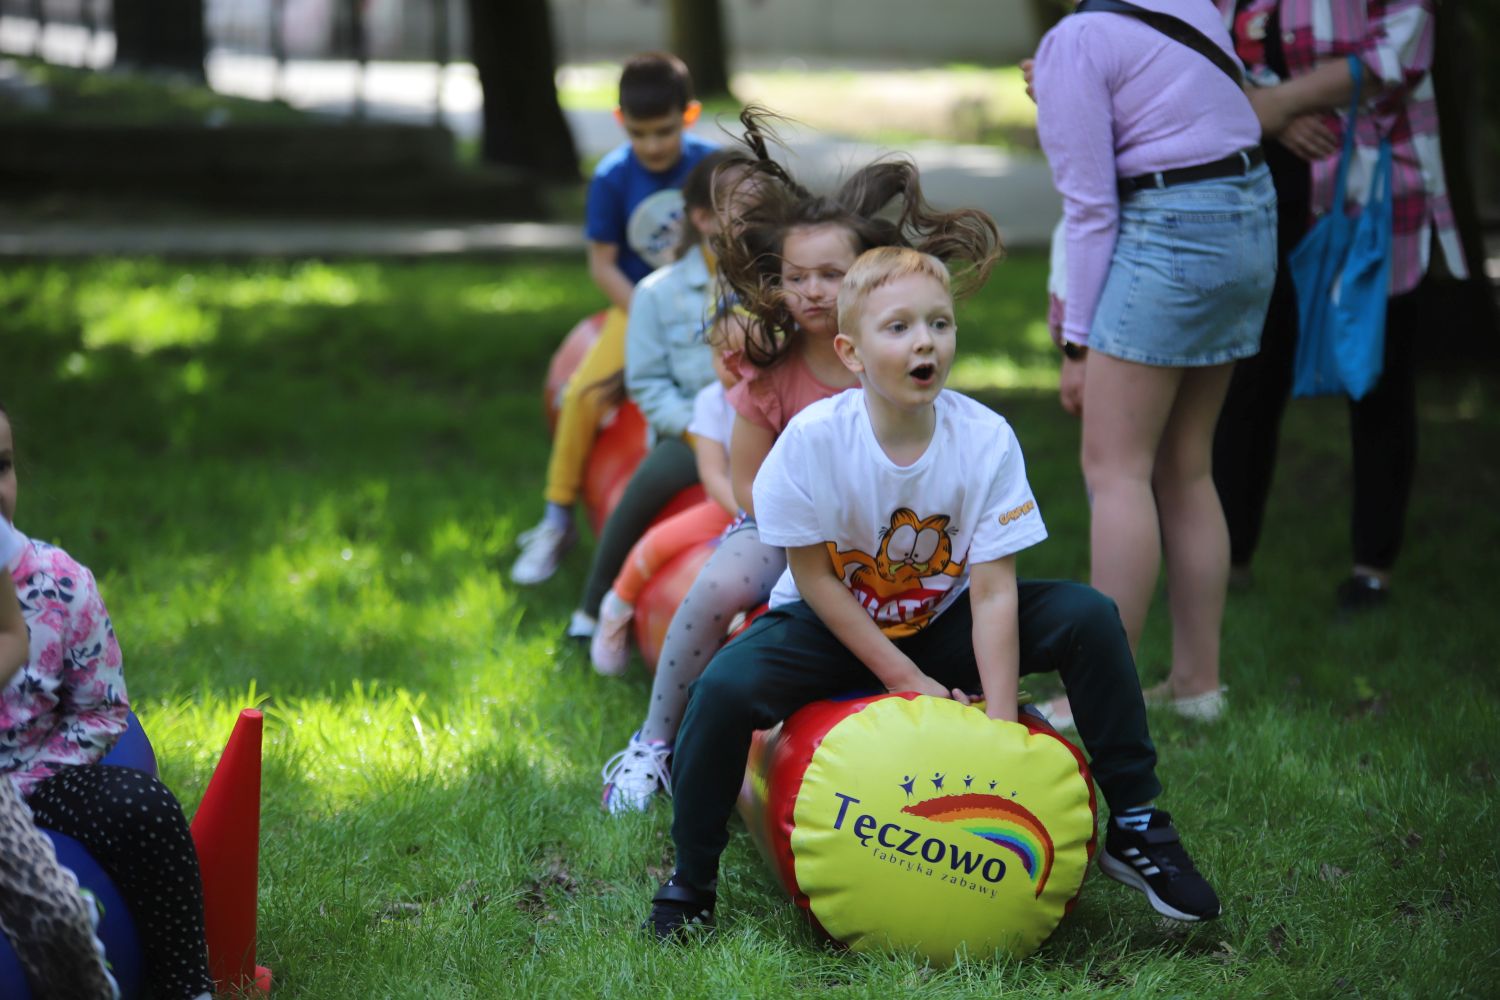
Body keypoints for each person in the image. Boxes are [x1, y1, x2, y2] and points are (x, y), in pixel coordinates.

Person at [643, 246, 1223, 938]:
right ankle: (691, 883)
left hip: (946, 621)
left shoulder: (985, 440)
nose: (925, 341)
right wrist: (903, 677)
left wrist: (1002, 726)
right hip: (832, 626)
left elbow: (994, 594)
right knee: (723, 689)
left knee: (1088, 616)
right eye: (898, 328)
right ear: (851, 353)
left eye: (939, 323)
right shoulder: (812, 441)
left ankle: (1135, 823)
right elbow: (815, 578)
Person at [599, 113, 1005, 814]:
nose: (813, 291)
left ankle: (990, 704)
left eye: (831, 275)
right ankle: (654, 743)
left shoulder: (898, 352)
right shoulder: (770, 368)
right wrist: (810, 540)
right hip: (788, 531)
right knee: (716, 585)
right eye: (796, 277)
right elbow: (752, 483)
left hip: (897, 536)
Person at [1029, 0, 1277, 726]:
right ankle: (1199, 685)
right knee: (1185, 466)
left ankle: (1096, 696)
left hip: (1169, 229)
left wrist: (1077, 345)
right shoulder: (1190, 4)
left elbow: (1090, 210)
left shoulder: (1076, 39)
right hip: (1247, 217)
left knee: (1116, 471)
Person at [1211, 0, 1467, 614]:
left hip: (1366, 183)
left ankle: (1371, 570)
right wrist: (1264, 112)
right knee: (1247, 372)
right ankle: (1228, 562)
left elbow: (1396, 47)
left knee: (1375, 371)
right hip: (1260, 184)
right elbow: (1197, 46)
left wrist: (1279, 103)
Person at [0, 402, 214, 1000]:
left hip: (42, 777)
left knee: (142, 806)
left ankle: (184, 979)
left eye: (2, 466)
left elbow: (101, 711)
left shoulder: (61, 584)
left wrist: (26, 785)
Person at [512, 51, 719, 589]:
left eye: (664, 132)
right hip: (637, 306)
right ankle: (557, 518)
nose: (652, 145)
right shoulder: (611, 178)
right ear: (619, 121)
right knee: (583, 395)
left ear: (689, 117)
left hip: (710, 303)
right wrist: (649, 315)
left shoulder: (710, 168)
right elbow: (602, 265)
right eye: (639, 133)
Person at [568, 149, 758, 642]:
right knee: (646, 487)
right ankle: (593, 605)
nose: (759, 221)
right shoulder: (658, 293)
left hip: (763, 426)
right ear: (702, 218)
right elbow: (648, 384)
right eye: (743, 209)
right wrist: (693, 431)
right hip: (693, 430)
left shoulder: (775, 283)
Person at [0, 509, 119, 1000]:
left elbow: (13, 635)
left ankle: (78, 952)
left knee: (55, 917)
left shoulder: (52, 577)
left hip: (17, 780)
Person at [590, 327, 744, 675]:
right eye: (725, 356)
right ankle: (617, 605)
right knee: (654, 544)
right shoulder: (710, 401)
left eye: (748, 355)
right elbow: (713, 473)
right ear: (711, 358)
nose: (736, 366)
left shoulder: (777, 393)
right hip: (729, 504)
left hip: (770, 508)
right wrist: (745, 513)